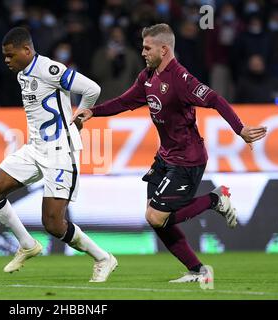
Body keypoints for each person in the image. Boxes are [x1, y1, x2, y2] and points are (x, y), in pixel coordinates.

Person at [72, 23, 267, 283]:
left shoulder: (181, 79)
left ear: (164, 50)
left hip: (188, 160)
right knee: (157, 219)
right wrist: (94, 112)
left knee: (155, 215)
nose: (142, 52)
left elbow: (216, 99)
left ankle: (215, 199)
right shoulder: (148, 77)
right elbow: (125, 101)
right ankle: (198, 271)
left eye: (147, 48)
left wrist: (240, 129)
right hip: (165, 157)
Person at [0, 27, 117, 282]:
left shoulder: (49, 69)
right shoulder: (22, 74)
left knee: (53, 225)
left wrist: (81, 115)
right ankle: (27, 244)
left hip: (60, 152)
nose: (7, 61)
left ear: (27, 50)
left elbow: (92, 89)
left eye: (10, 56)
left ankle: (103, 257)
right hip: (34, 149)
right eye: (4, 56)